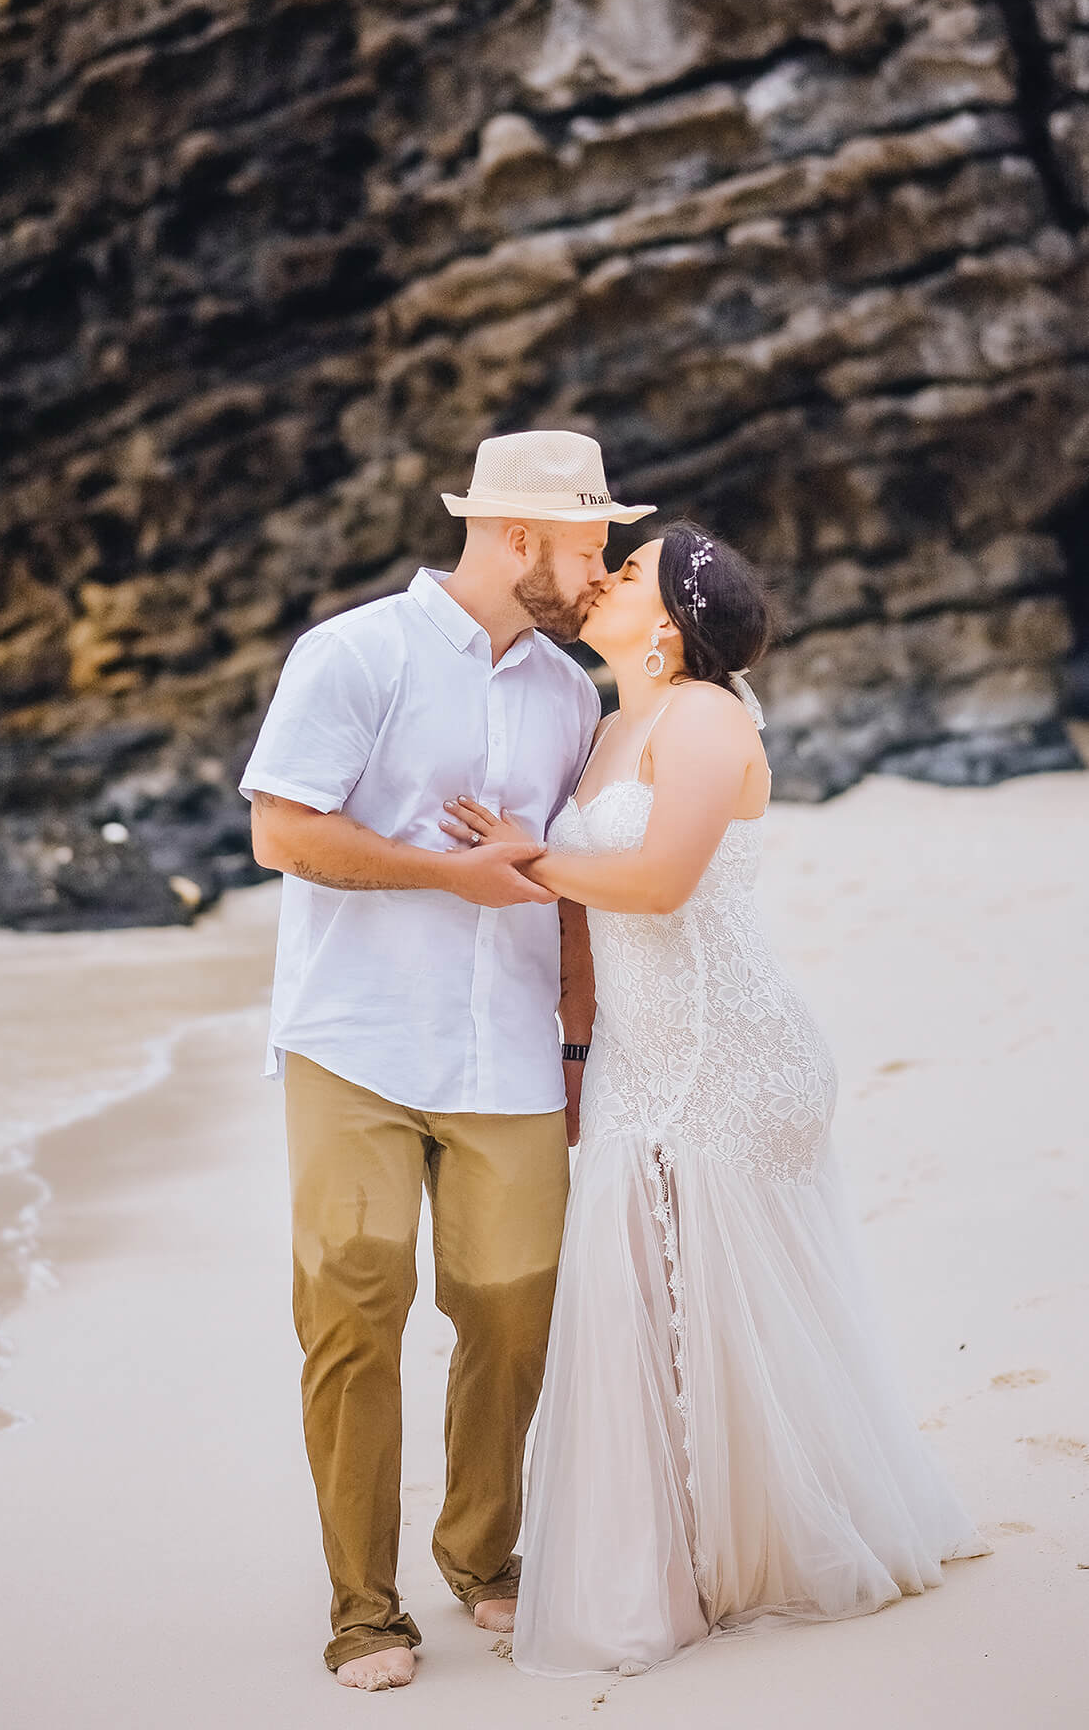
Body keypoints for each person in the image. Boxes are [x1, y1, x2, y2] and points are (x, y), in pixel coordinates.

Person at [441, 522, 989, 1678]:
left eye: (627, 571)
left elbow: (652, 881)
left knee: (706, 1312)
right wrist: (577, 1046)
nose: (600, 578)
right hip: (646, 1058)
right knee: (653, 1308)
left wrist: (521, 856)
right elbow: (592, 919)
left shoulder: (704, 715)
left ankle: (738, 1552)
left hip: (732, 1056)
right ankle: (686, 1556)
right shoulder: (603, 730)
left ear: (677, 615)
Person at [239, 430, 653, 1691]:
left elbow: (569, 887)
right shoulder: (352, 651)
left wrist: (578, 1041)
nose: (599, 568)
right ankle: (363, 1606)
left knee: (514, 1314)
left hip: (516, 1050)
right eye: (585, 542)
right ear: (516, 535)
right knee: (353, 1313)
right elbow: (280, 832)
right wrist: (447, 872)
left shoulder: (570, 692)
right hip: (355, 1040)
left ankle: (482, 1554)